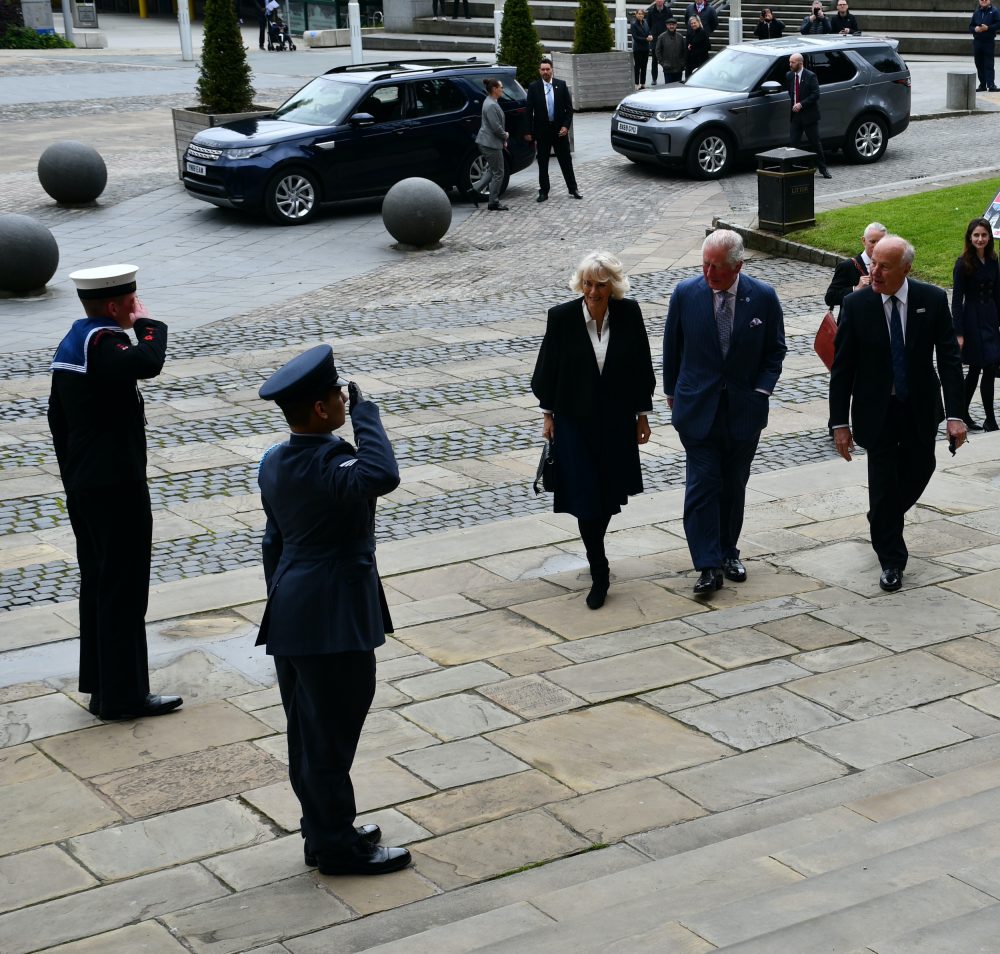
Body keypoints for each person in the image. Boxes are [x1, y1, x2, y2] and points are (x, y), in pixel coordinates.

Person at [257, 345, 411, 877]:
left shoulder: (274, 461)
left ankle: (322, 830)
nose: (343, 401)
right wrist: (368, 417)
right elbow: (382, 474)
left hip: (293, 611)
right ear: (321, 410)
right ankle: (337, 848)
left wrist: (283, 603)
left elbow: (272, 543)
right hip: (332, 616)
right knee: (330, 735)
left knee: (308, 732)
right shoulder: (332, 464)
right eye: (338, 396)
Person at [48, 264, 182, 721]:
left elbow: (57, 421)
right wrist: (148, 324)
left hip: (87, 484)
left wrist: (72, 478)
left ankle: (104, 687)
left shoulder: (75, 341)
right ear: (113, 305)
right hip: (115, 486)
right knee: (123, 588)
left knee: (101, 584)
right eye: (131, 300)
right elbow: (148, 362)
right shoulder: (103, 343)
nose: (135, 306)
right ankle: (124, 696)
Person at [829, 236, 967, 592]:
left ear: (906, 269)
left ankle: (881, 519)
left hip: (919, 407)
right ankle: (891, 560)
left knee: (923, 467)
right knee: (883, 482)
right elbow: (842, 369)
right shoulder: (856, 305)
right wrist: (839, 423)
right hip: (877, 411)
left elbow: (950, 360)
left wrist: (956, 414)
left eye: (884, 266)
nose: (874, 271)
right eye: (873, 262)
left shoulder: (931, 300)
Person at [663, 230, 787, 596]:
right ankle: (707, 565)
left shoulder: (762, 297)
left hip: (743, 411)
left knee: (733, 485)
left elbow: (775, 350)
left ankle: (728, 551)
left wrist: (761, 390)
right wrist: (673, 393)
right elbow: (673, 347)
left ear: (738, 266)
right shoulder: (686, 294)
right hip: (698, 409)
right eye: (704, 263)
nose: (708, 273)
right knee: (702, 487)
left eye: (716, 266)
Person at [531, 252, 655, 610]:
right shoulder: (562, 317)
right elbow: (547, 369)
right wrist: (548, 415)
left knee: (607, 496)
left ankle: (595, 555)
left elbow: (641, 366)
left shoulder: (628, 313)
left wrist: (642, 416)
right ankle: (599, 570)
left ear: (612, 286)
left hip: (616, 421)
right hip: (574, 420)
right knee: (587, 496)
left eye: (601, 285)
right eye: (588, 284)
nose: (593, 292)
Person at [953, 217, 1000, 430]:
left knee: (988, 366)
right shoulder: (962, 263)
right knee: (977, 367)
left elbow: (998, 293)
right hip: (972, 318)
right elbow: (956, 300)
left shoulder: (993, 260)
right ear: (970, 238)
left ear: (989, 237)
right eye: (976, 235)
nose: (980, 239)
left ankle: (985, 417)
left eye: (983, 235)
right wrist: (959, 332)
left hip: (990, 317)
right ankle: (971, 414)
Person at [525, 58, 581, 203]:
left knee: (566, 161)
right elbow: (529, 112)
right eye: (542, 69)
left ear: (552, 70)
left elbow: (569, 110)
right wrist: (529, 132)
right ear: (539, 71)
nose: (545, 72)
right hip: (542, 132)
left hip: (559, 132)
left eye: (547, 69)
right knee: (543, 163)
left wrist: (565, 126)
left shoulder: (561, 86)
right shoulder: (534, 87)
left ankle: (573, 188)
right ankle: (544, 191)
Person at [825, 221, 887, 318]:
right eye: (872, 241)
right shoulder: (847, 266)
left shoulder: (890, 265)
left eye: (881, 242)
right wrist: (855, 289)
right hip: (854, 325)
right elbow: (830, 298)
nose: (877, 246)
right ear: (863, 240)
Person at [787, 52, 832, 179]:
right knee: (793, 143)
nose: (790, 64)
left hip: (809, 116)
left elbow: (815, 94)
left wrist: (801, 104)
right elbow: (791, 93)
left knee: (815, 143)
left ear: (800, 63)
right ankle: (794, 170)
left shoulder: (810, 76)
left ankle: (823, 169)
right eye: (790, 62)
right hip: (795, 116)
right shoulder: (789, 76)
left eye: (793, 62)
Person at [472, 78, 509, 211]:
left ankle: (473, 191)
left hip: (488, 142)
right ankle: (493, 202)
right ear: (494, 89)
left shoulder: (489, 102)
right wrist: (505, 135)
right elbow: (496, 127)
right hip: (490, 144)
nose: (503, 90)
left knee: (491, 170)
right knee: (499, 173)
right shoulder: (491, 105)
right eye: (501, 87)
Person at [970, 0, 1000, 92]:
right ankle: (982, 85)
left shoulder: (994, 11)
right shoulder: (976, 12)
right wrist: (975, 29)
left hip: (988, 42)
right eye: (981, 0)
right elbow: (970, 26)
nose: (983, 1)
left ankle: (991, 85)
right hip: (977, 42)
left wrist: (988, 28)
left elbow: (999, 24)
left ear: (989, 0)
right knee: (979, 64)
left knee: (989, 64)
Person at [646, 0, 673, 84]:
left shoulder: (668, 11)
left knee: (666, 59)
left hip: (666, 38)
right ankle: (654, 78)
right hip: (655, 39)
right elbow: (648, 25)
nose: (659, 1)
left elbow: (672, 23)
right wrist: (650, 34)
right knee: (654, 60)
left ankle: (667, 78)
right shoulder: (651, 12)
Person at [655, 18, 686, 84]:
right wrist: (662, 63)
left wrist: (682, 63)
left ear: (676, 25)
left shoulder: (680, 37)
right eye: (670, 24)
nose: (671, 26)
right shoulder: (662, 37)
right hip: (667, 68)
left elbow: (684, 51)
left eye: (673, 24)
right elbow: (657, 51)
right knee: (668, 88)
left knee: (677, 87)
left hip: (678, 68)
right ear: (666, 25)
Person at [631, 8, 652, 89]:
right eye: (639, 14)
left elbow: (648, 31)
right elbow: (635, 37)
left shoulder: (645, 23)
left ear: (644, 15)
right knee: (637, 66)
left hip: (645, 48)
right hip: (638, 49)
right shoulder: (633, 24)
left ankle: (643, 83)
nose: (640, 15)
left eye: (642, 14)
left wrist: (650, 36)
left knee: (644, 66)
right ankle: (636, 83)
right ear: (636, 15)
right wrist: (646, 39)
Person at [685, 15, 711, 80]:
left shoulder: (703, 32)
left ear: (698, 22)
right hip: (691, 61)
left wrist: (692, 48)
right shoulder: (691, 32)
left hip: (700, 61)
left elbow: (708, 47)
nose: (693, 25)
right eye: (691, 23)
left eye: (694, 23)